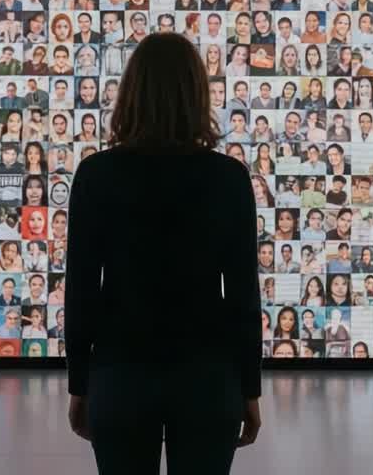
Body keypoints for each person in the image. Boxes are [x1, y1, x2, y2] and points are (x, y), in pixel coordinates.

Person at [65, 33, 262, 474]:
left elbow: (81, 290)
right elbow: (244, 297)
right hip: (208, 377)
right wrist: (249, 389)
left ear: (131, 92)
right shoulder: (228, 178)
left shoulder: (97, 175)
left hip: (120, 374)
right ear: (197, 93)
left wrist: (80, 384)